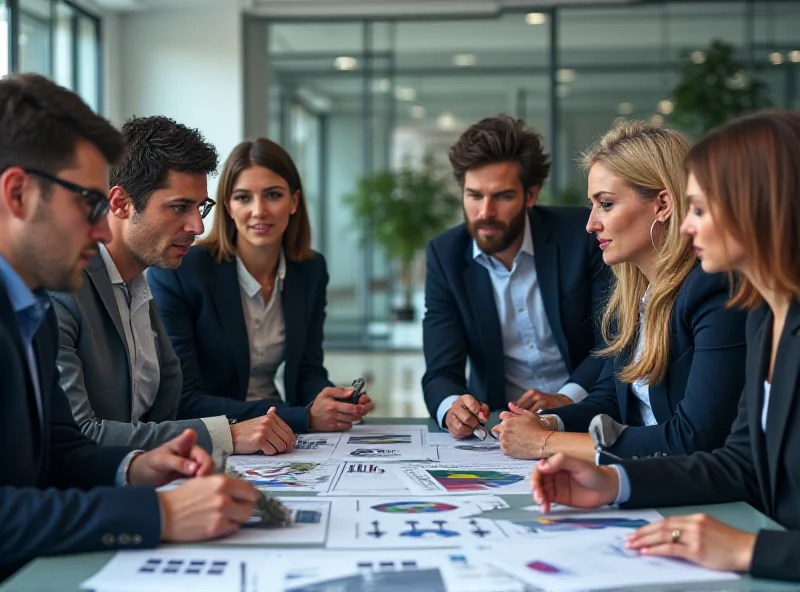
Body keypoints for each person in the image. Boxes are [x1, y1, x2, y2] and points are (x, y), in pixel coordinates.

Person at [0, 73, 258, 581]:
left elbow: (60, 450)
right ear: (17, 194)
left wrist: (136, 468)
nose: (101, 232)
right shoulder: (49, 301)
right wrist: (157, 515)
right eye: (87, 204)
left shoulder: (29, 310)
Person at [530, 110, 800, 582]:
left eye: (699, 209)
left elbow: (699, 440)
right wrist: (612, 482)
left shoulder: (730, 301)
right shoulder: (765, 317)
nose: (688, 226)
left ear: (757, 207)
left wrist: (751, 549)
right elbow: (741, 463)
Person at [493, 122, 747, 461]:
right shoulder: (632, 292)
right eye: (593, 205)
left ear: (663, 205)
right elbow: (609, 401)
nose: (591, 223)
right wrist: (544, 422)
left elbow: (694, 438)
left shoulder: (711, 289)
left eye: (606, 204)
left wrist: (545, 443)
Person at [50, 117, 296, 461]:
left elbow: (164, 413)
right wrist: (224, 435)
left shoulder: (140, 283)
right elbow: (80, 433)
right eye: (180, 207)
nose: (197, 226)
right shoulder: (62, 289)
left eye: (201, 207)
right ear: (120, 204)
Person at [149, 138, 374, 433]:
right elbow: (183, 399)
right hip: (216, 433)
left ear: (294, 202)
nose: (259, 211)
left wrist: (331, 400)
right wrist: (302, 417)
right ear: (227, 205)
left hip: (281, 431)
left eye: (273, 195)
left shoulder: (310, 270)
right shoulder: (182, 270)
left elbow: (307, 371)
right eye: (243, 197)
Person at [422, 114, 609, 439]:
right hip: (500, 426)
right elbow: (440, 372)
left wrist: (567, 398)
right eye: (474, 195)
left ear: (531, 195)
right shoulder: (446, 255)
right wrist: (453, 407)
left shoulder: (582, 236)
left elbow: (614, 341)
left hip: (591, 414)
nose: (485, 213)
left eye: (503, 196)